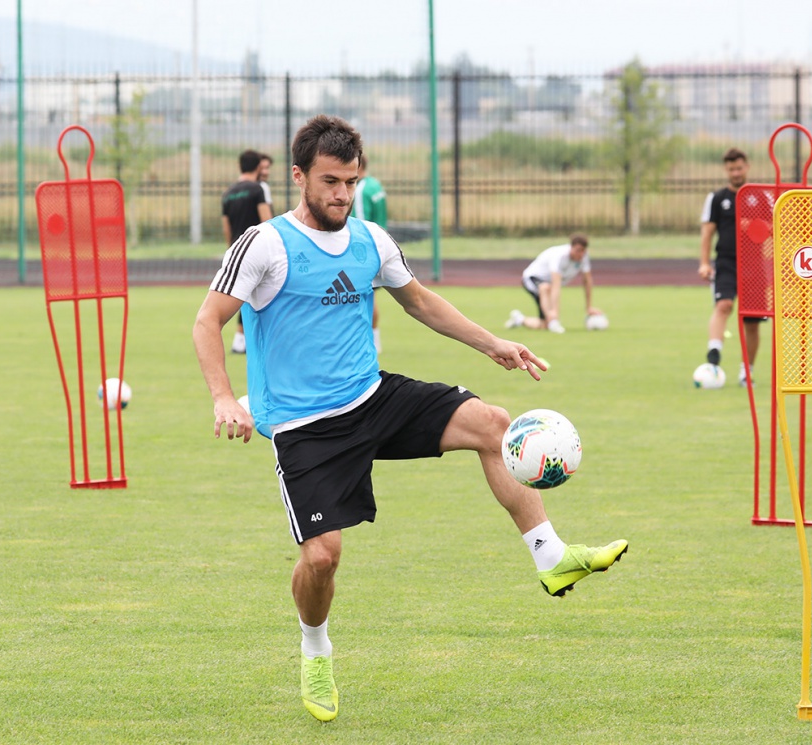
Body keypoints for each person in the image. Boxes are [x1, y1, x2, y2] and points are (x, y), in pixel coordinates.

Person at [193, 115, 628, 723]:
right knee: (322, 559)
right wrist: (222, 397)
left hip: (373, 397)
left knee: (494, 423)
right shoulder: (265, 244)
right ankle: (314, 648)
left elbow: (419, 301)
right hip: (303, 427)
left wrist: (492, 344)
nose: (341, 194)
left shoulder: (371, 238)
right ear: (298, 177)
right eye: (329, 182)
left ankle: (551, 557)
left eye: (350, 181)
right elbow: (206, 321)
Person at [698, 148, 762, 387]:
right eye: (731, 169)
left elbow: (773, 228)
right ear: (726, 170)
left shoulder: (761, 196)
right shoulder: (717, 198)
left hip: (755, 263)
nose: (736, 173)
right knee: (723, 305)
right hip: (726, 262)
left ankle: (748, 370)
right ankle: (713, 354)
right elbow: (707, 233)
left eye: (739, 168)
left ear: (747, 167)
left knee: (752, 321)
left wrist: (753, 225)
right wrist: (704, 263)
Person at [222, 149, 273, 354]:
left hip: (237, 250)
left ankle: (239, 339)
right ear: (258, 167)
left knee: (241, 295)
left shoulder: (228, 193)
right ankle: (252, 340)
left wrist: (232, 249)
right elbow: (267, 221)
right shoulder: (257, 189)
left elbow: (226, 227)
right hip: (258, 251)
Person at [505, 234, 601, 333]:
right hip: (531, 279)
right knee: (545, 288)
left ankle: (519, 319)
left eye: (583, 251)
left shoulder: (583, 257)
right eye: (578, 250)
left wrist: (589, 307)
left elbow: (587, 281)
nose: (580, 254)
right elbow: (556, 285)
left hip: (549, 286)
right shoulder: (559, 256)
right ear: (571, 247)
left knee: (544, 324)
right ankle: (553, 322)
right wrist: (555, 312)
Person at [353, 154, 387, 352]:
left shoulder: (362, 188)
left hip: (366, 250)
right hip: (380, 243)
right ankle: (374, 340)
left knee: (363, 296)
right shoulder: (375, 184)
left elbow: (362, 221)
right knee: (368, 295)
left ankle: (371, 342)